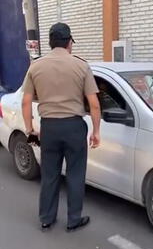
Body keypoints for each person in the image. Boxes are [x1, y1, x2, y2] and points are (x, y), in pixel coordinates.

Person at [21, 22, 101, 232]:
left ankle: (46, 218)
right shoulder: (81, 66)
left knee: (49, 174)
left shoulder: (36, 66)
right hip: (74, 127)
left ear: (50, 42)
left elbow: (26, 102)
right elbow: (94, 103)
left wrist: (30, 130)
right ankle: (74, 219)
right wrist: (96, 131)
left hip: (49, 128)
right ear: (69, 43)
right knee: (75, 174)